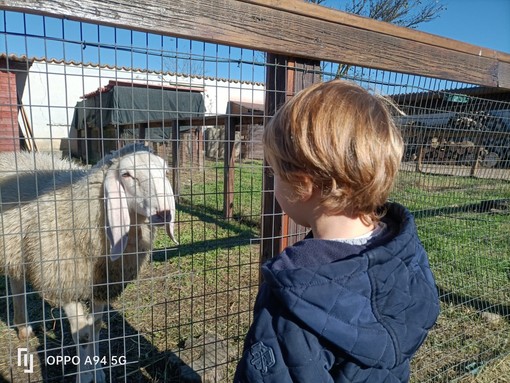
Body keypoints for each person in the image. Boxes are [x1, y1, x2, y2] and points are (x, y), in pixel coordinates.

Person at [234, 80, 440, 383]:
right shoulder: (404, 253)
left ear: (303, 185)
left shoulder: (293, 291)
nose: (272, 181)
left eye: (273, 172)